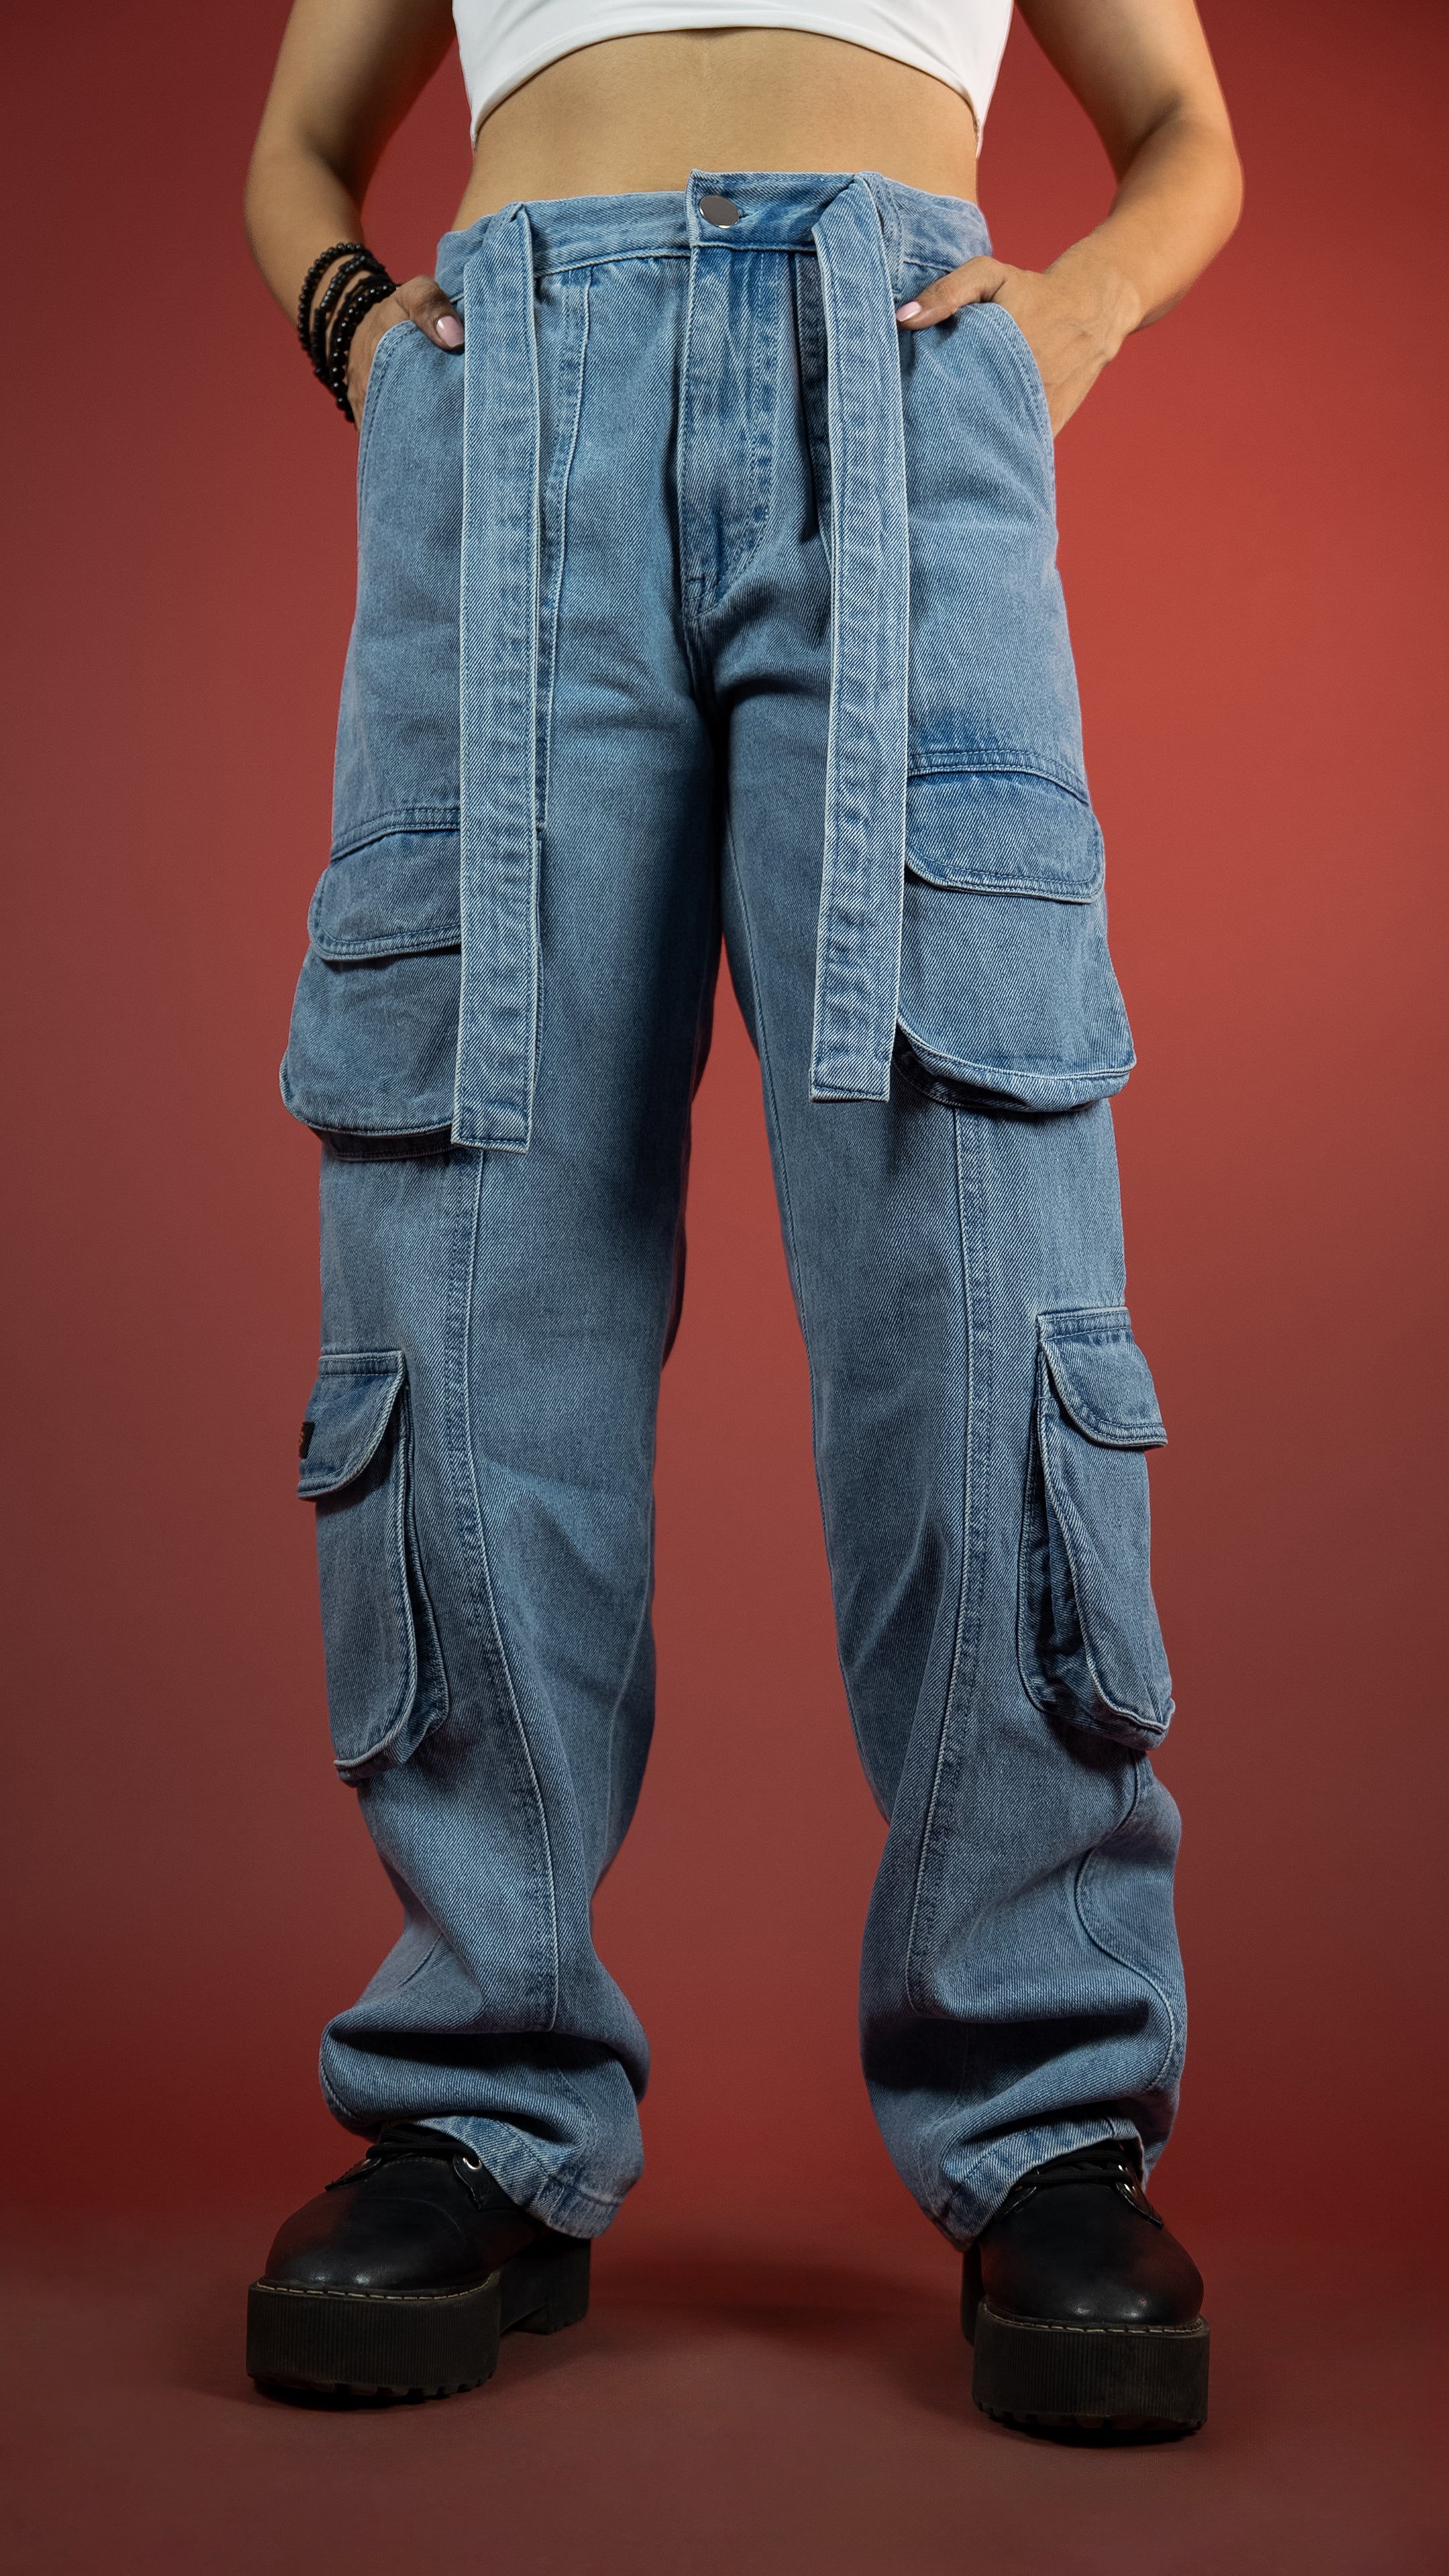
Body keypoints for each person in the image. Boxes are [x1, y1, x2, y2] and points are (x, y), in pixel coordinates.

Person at [241, 0, 1240, 2435]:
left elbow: (1187, 135)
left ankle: (1050, 2122)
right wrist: (380, 354)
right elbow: (294, 155)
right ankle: (476, 2098)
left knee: (975, 1246)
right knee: (473, 1256)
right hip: (509, 426)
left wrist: (1073, 314)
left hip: (899, 406)